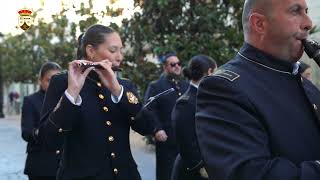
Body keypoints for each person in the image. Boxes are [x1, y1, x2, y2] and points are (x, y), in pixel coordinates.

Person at [195, 0, 320, 179]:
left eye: (306, 11)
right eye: (296, 11)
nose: (308, 22)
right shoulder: (223, 88)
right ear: (259, 24)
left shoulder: (301, 82)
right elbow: (250, 173)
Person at [39, 24, 156, 180]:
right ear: (91, 51)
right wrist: (71, 93)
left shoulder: (124, 86)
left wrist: (117, 91)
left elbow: (147, 127)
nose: (120, 57)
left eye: (121, 50)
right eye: (113, 50)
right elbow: (48, 140)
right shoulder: (62, 82)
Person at [171, 55, 217, 180]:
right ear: (209, 72)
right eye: (215, 72)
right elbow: (186, 142)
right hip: (192, 172)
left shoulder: (205, 96)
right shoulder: (186, 102)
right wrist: (200, 167)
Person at [144, 52, 188, 180]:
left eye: (179, 64)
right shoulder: (156, 86)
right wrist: (157, 129)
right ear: (165, 68)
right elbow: (148, 109)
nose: (177, 66)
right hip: (166, 139)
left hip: (185, 140)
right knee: (166, 174)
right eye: (173, 64)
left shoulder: (185, 85)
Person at [21, 61, 61, 180]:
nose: (54, 85)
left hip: (65, 166)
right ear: (40, 80)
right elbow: (27, 133)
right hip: (40, 165)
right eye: (49, 80)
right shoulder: (30, 101)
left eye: (57, 81)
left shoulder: (69, 99)